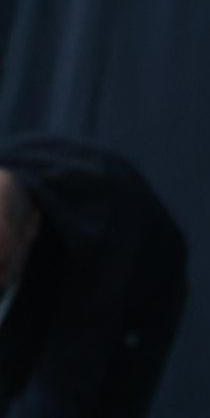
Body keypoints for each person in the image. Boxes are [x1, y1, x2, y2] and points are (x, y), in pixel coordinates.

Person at [0, 138, 186, 416]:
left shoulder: (98, 252)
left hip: (140, 284)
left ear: (32, 226)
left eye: (0, 268)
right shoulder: (14, 177)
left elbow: (62, 390)